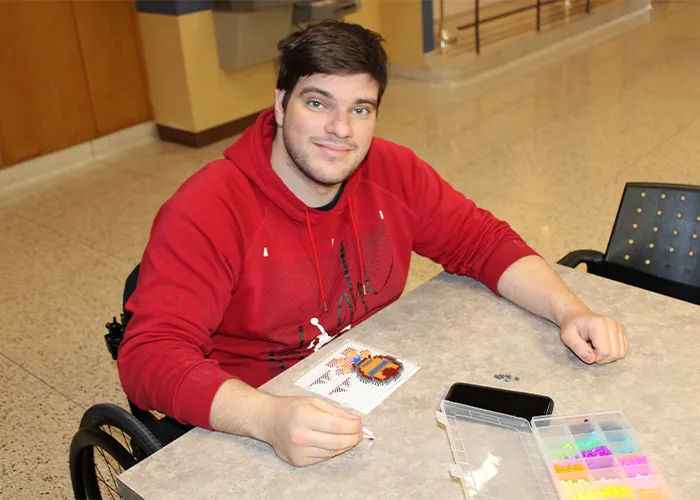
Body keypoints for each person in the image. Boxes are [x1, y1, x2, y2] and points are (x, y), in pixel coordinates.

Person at [117, 20, 627, 468]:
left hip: (372, 396)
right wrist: (265, 418)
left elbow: (482, 242)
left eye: (360, 109)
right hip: (254, 419)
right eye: (318, 103)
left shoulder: (392, 171)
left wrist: (568, 310)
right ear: (279, 103)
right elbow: (149, 355)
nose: (341, 130)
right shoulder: (209, 208)